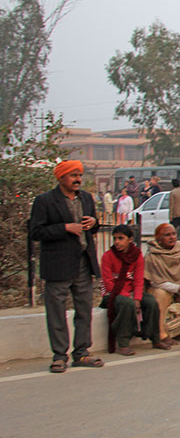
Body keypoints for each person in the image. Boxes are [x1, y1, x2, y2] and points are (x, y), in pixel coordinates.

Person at [29, 160, 104, 373]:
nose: (78, 179)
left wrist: (93, 224)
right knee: (56, 312)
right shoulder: (45, 201)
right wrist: (64, 228)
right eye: (73, 175)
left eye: (79, 175)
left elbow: (93, 225)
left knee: (84, 310)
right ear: (61, 178)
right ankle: (59, 355)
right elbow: (36, 232)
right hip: (58, 264)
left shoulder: (87, 199)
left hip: (82, 262)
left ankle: (81, 353)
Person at [100, 224, 162, 355]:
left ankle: (154, 337)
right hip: (112, 294)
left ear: (130, 240)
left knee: (151, 301)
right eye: (115, 238)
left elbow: (138, 280)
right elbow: (108, 283)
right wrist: (127, 296)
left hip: (131, 292)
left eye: (121, 238)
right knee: (126, 304)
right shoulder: (108, 256)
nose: (117, 242)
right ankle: (123, 343)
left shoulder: (136, 255)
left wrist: (138, 298)